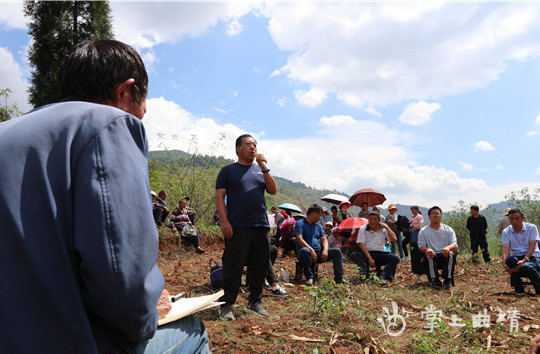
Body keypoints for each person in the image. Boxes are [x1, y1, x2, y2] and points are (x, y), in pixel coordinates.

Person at [0, 40, 208, 353]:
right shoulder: (108, 123)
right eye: (143, 110)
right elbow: (124, 293)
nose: (140, 118)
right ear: (125, 91)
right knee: (193, 331)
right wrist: (150, 307)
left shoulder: (7, 130)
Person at [215, 134, 277, 320]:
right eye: (249, 144)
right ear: (237, 148)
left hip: (260, 225)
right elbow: (219, 197)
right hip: (238, 226)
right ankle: (227, 304)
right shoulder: (228, 171)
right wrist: (224, 222)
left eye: (255, 145)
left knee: (259, 265)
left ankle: (255, 301)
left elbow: (273, 190)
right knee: (233, 265)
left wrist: (264, 166)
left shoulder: (260, 170)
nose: (253, 147)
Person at [294, 204, 345, 286]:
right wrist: (311, 250)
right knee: (304, 251)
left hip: (318, 253)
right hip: (305, 253)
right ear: (313, 213)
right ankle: (309, 278)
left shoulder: (318, 226)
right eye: (319, 215)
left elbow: (324, 239)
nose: (320, 218)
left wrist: (325, 250)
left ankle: (339, 278)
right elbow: (299, 239)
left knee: (337, 251)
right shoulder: (300, 223)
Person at [350, 212, 400, 284]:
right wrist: (370, 258)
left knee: (395, 258)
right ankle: (366, 274)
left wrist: (387, 227)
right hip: (367, 253)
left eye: (375, 219)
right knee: (354, 255)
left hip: (381, 253)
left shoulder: (383, 229)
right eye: (370, 219)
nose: (372, 221)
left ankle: (384, 277)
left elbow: (394, 239)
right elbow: (362, 244)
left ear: (379, 221)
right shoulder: (363, 228)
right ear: (368, 220)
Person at [418, 206, 458, 289]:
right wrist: (427, 249)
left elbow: (454, 245)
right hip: (433, 255)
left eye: (437, 213)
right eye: (433, 214)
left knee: (451, 253)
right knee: (429, 255)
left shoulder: (448, 229)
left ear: (441, 216)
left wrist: (448, 248)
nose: (435, 215)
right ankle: (435, 279)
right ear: (429, 217)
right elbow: (421, 246)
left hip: (445, 254)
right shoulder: (423, 231)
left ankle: (447, 279)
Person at [502, 208, 540, 294]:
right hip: (517, 257)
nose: (514, 221)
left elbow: (532, 245)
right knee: (510, 261)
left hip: (533, 256)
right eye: (511, 219)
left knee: (526, 267)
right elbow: (505, 249)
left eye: (517, 218)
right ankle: (518, 287)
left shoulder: (532, 228)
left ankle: (539, 288)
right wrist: (504, 263)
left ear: (523, 218)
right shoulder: (506, 231)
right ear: (509, 219)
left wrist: (524, 260)